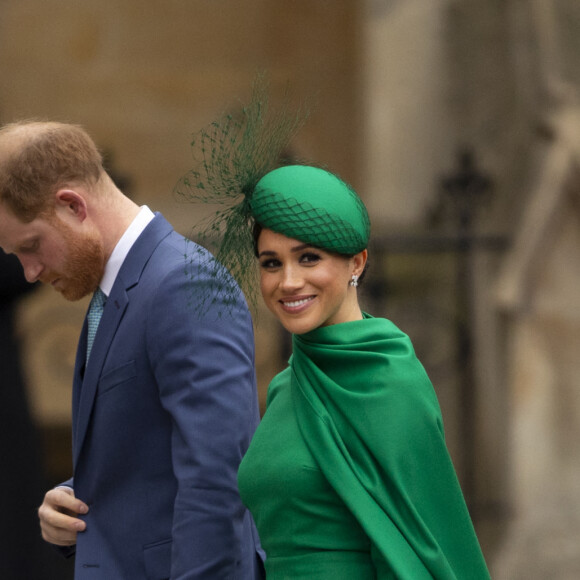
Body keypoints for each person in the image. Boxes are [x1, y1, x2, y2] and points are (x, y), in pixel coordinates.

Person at [0, 120, 265, 579]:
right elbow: (150, 456)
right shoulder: (118, 285)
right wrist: (74, 499)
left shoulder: (183, 282)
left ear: (72, 205)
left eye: (30, 246)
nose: (28, 271)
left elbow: (218, 484)